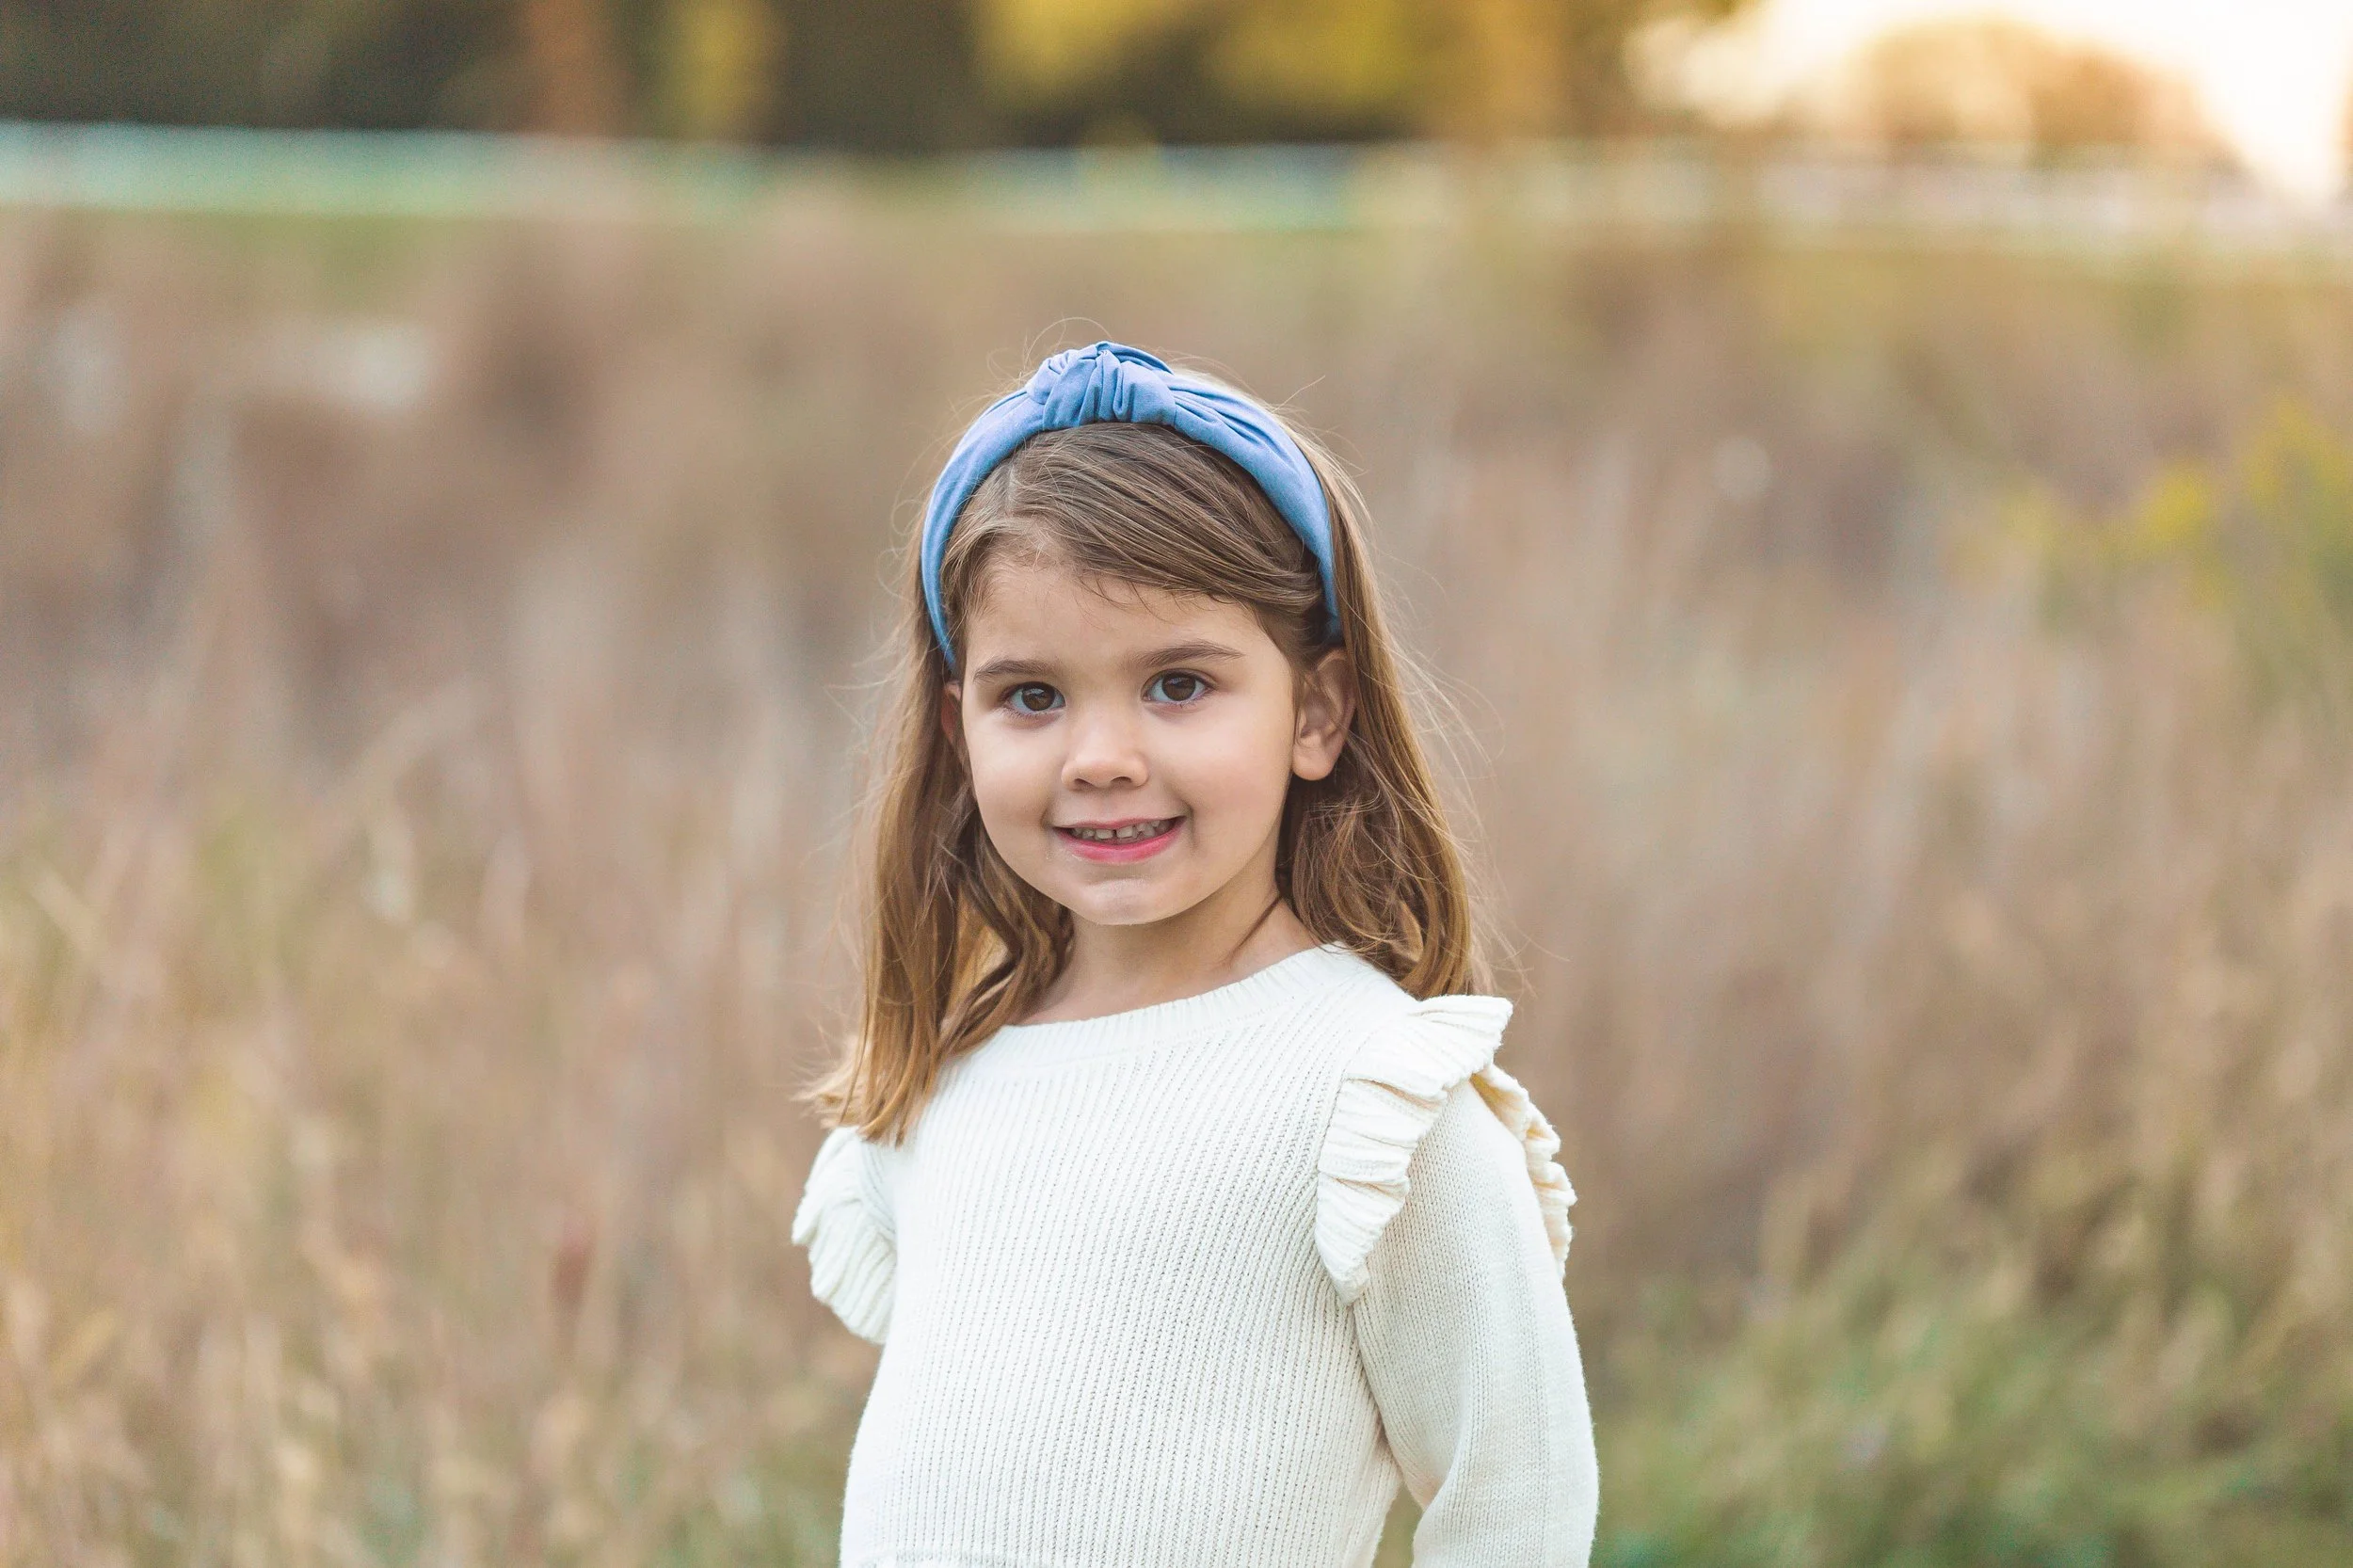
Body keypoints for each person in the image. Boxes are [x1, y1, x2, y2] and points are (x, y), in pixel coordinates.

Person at [792, 341, 1598, 1567]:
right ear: (958, 729)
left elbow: (1517, 1498)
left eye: (1176, 683)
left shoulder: (1370, 1098)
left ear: (1316, 712)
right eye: (1033, 697)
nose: (1100, 755)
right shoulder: (946, 1084)